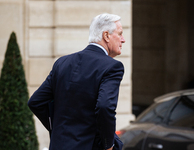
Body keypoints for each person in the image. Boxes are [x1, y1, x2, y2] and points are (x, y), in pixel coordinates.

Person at [28, 13, 125, 150]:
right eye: (120, 34)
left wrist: (56, 130)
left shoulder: (62, 63)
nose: (123, 39)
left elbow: (36, 102)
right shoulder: (112, 66)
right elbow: (104, 107)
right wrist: (108, 145)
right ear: (106, 36)